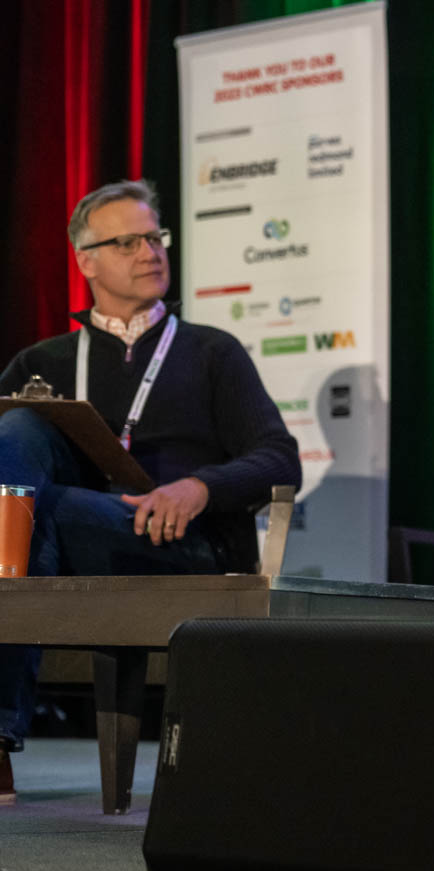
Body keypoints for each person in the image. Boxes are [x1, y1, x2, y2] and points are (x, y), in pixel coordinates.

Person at [0, 180, 300, 803]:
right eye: (127, 241)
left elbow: (279, 458)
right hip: (68, 547)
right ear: (86, 260)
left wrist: (198, 487)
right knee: (19, 430)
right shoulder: (45, 361)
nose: (150, 251)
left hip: (181, 546)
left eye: (155, 237)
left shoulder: (212, 352)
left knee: (32, 515)